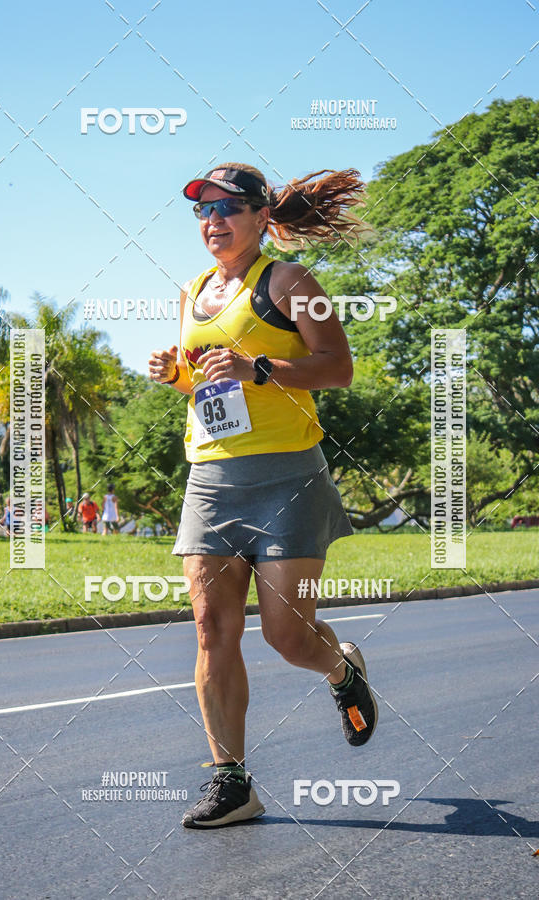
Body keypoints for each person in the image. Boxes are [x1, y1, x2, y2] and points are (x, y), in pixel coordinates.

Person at [148, 162, 379, 829]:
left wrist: (262, 367)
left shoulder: (288, 281)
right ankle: (231, 782)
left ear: (258, 216)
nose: (212, 222)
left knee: (287, 636)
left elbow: (337, 366)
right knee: (211, 628)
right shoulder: (191, 292)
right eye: (201, 212)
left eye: (225, 209)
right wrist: (176, 378)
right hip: (212, 480)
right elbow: (209, 386)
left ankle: (340, 667)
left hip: (287, 478)